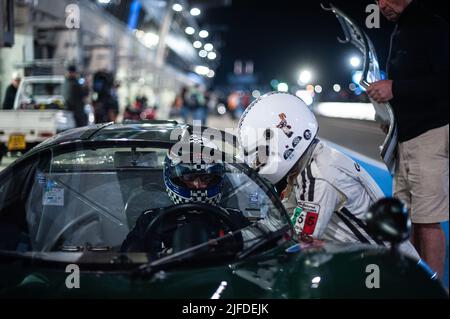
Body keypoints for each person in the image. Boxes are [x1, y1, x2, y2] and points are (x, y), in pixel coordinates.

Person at [238, 92, 419, 259]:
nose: (257, 163)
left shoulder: (318, 176)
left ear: (283, 140)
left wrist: (242, 244)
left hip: (384, 269)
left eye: (260, 154)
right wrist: (239, 237)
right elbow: (285, 215)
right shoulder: (310, 161)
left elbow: (297, 240)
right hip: (370, 260)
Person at [367, 0, 449, 280]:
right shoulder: (402, 27)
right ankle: (416, 285)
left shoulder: (430, 24)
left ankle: (434, 290)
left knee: (428, 223)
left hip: (429, 135)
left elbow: (443, 83)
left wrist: (394, 88)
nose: (381, 5)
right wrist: (389, 116)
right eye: (377, 0)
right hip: (407, 137)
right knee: (411, 220)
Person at [121, 139, 249, 253]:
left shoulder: (233, 219)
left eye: (206, 177)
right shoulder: (150, 220)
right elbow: (127, 258)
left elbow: (260, 250)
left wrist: (229, 246)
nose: (198, 185)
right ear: (172, 176)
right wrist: (164, 255)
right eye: (189, 177)